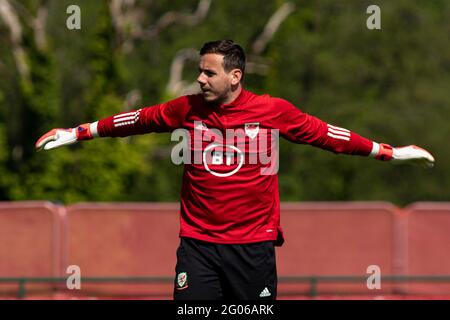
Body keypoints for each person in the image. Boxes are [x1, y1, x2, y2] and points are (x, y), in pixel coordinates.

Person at [35, 40, 435, 300]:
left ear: (235, 76)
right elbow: (137, 119)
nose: (200, 78)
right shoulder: (187, 109)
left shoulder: (273, 111)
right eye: (200, 71)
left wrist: (389, 152)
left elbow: (328, 135)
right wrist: (78, 132)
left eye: (209, 72)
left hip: (252, 247)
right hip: (198, 245)